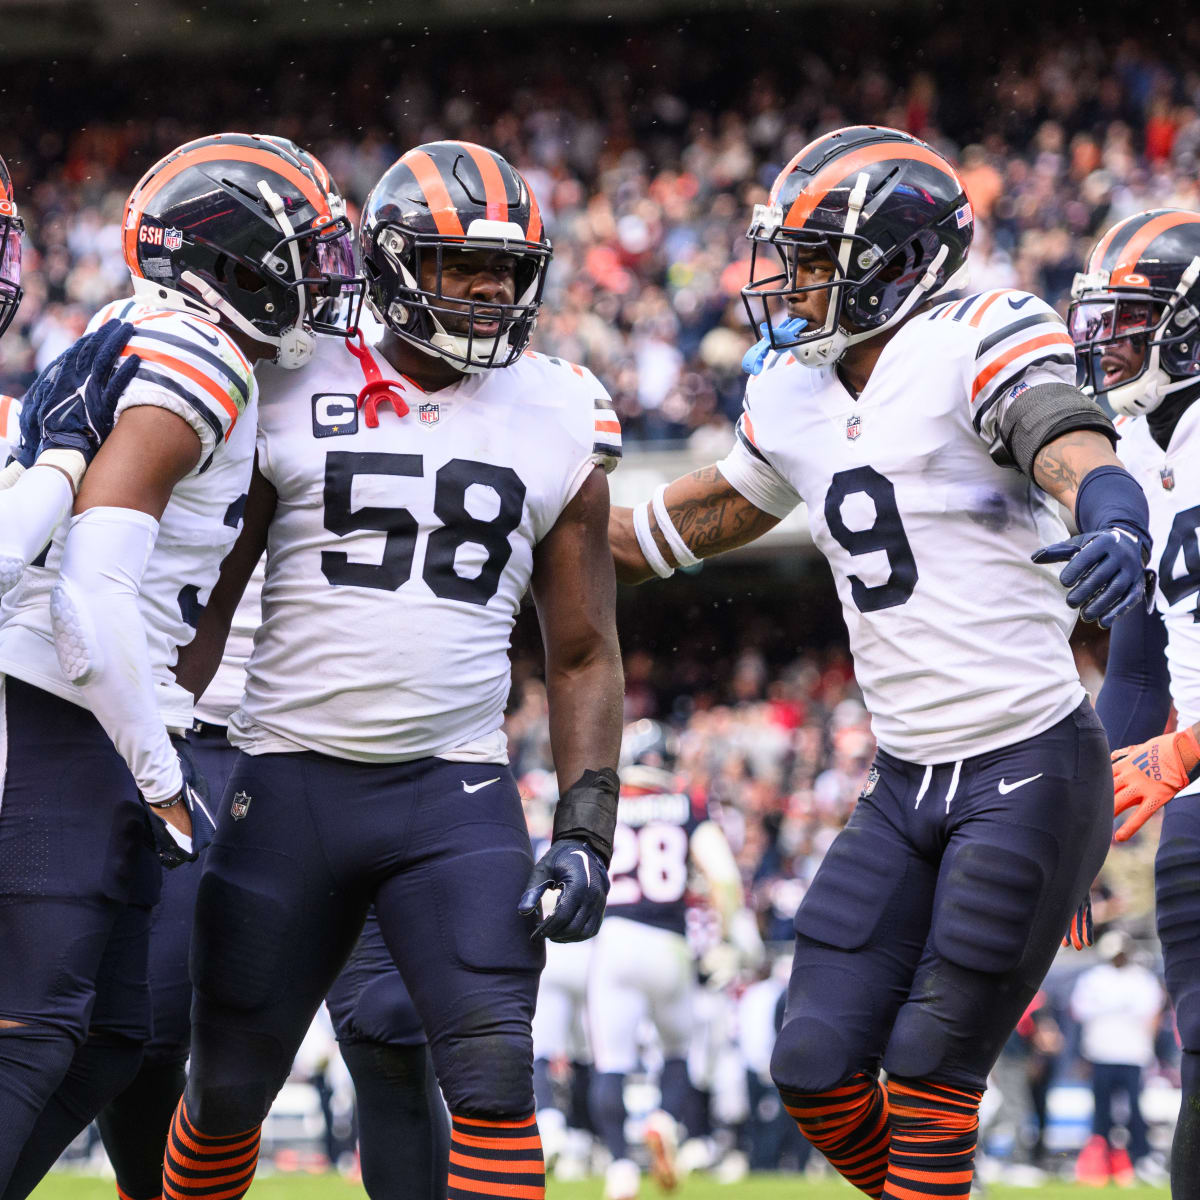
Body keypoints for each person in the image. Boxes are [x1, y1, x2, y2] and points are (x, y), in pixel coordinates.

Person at [608, 125, 1149, 1200]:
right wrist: (536, 500)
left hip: (1030, 765)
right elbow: (668, 531)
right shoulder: (795, 397)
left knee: (929, 1076)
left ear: (895, 262)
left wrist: (1114, 516)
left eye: (815, 258)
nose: (792, 282)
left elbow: (1066, 437)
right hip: (905, 782)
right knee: (810, 1065)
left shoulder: (977, 334)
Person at [165, 139, 625, 1200]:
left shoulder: (558, 406)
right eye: (463, 264)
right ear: (388, 265)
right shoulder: (287, 377)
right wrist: (142, 753)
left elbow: (587, 648)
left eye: (508, 270)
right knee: (230, 1087)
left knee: (497, 1074)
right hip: (285, 780)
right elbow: (207, 601)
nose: (490, 289)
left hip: (450, 790)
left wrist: (587, 828)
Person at [0, 132, 357, 1198]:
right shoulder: (197, 355)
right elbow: (91, 597)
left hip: (79, 713)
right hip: (62, 713)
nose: (324, 279)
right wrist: (163, 780)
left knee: (114, 1034)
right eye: (306, 252)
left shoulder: (141, 328)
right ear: (233, 257)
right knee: (35, 1027)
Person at [1069, 206, 1200, 1195]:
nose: (1104, 342)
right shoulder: (1141, 457)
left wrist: (1187, 750)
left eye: (1131, 317)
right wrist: (1083, 834)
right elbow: (1138, 673)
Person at [588, 719, 760, 1200]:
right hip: (670, 943)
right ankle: (664, 1119)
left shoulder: (608, 804)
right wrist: (728, 939)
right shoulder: (687, 802)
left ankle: (621, 1167)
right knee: (679, 1052)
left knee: (612, 1061)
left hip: (616, 937)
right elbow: (723, 878)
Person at [1070, 932, 1165, 1185]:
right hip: (1101, 1053)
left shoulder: (1142, 979)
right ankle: (1101, 1159)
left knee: (1134, 1108)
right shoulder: (1093, 979)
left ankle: (1140, 1158)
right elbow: (1080, 1013)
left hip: (1133, 1054)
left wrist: (1150, 1050)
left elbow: (1153, 1016)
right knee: (1101, 1111)